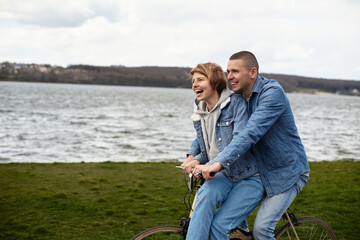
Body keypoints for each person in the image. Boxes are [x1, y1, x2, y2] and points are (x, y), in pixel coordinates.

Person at [189, 51, 310, 239]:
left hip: (285, 171)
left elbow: (249, 133)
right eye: (228, 71)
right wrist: (194, 156)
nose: (229, 77)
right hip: (254, 169)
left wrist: (217, 163)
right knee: (221, 218)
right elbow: (211, 130)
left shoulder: (272, 93)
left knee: (262, 229)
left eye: (235, 71)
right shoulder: (237, 99)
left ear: (253, 72)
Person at [181, 62, 264, 240]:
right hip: (224, 175)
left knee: (218, 227)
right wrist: (193, 159)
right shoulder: (201, 112)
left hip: (249, 176)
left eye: (200, 79)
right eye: (193, 81)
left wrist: (209, 165)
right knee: (204, 196)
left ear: (215, 81)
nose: (194, 84)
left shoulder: (236, 104)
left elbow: (239, 142)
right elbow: (206, 146)